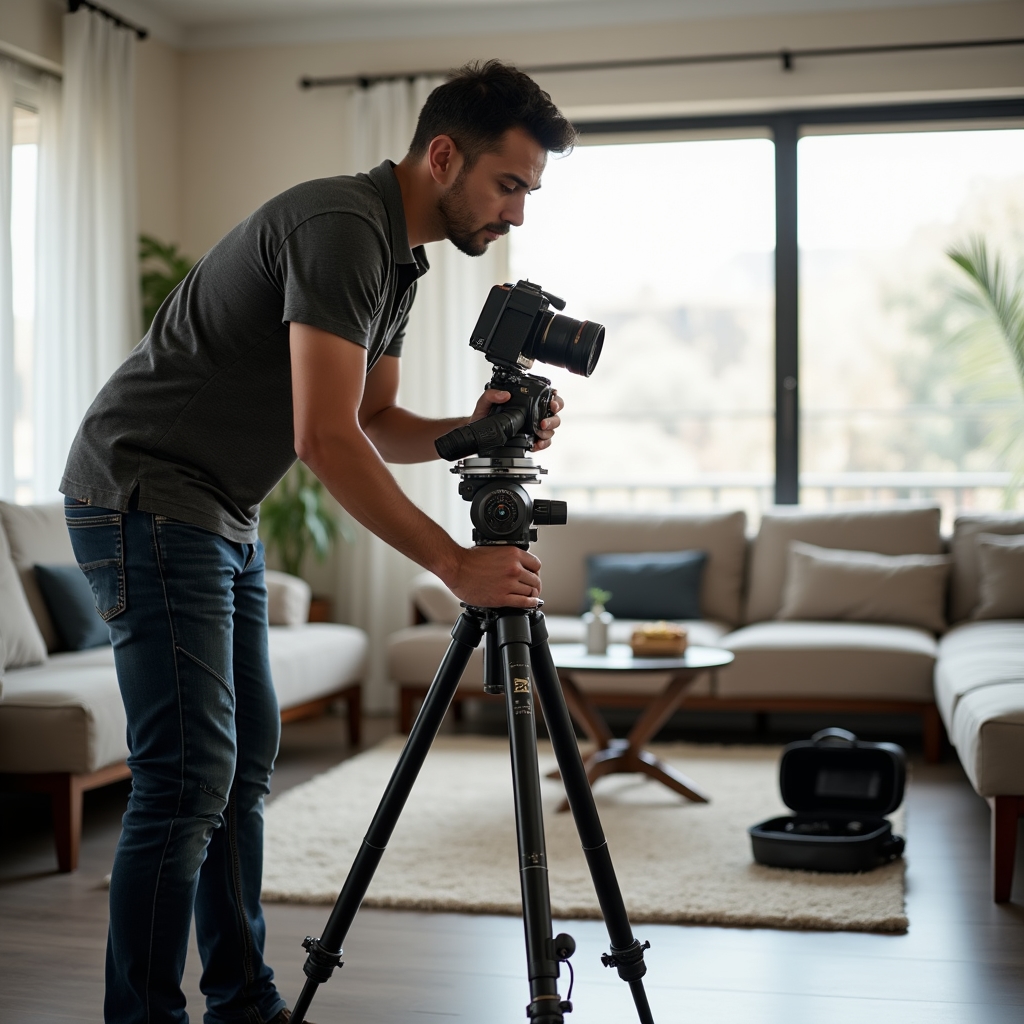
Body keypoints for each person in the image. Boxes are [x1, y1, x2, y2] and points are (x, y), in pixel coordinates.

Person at [60, 60, 576, 1024]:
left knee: (241, 765)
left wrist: (474, 429)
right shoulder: (341, 227)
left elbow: (376, 418)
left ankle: (242, 1001)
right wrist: (456, 565)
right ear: (442, 154)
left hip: (220, 510)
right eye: (509, 184)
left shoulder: (398, 258)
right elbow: (323, 438)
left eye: (529, 193)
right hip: (145, 492)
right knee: (186, 780)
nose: (517, 213)